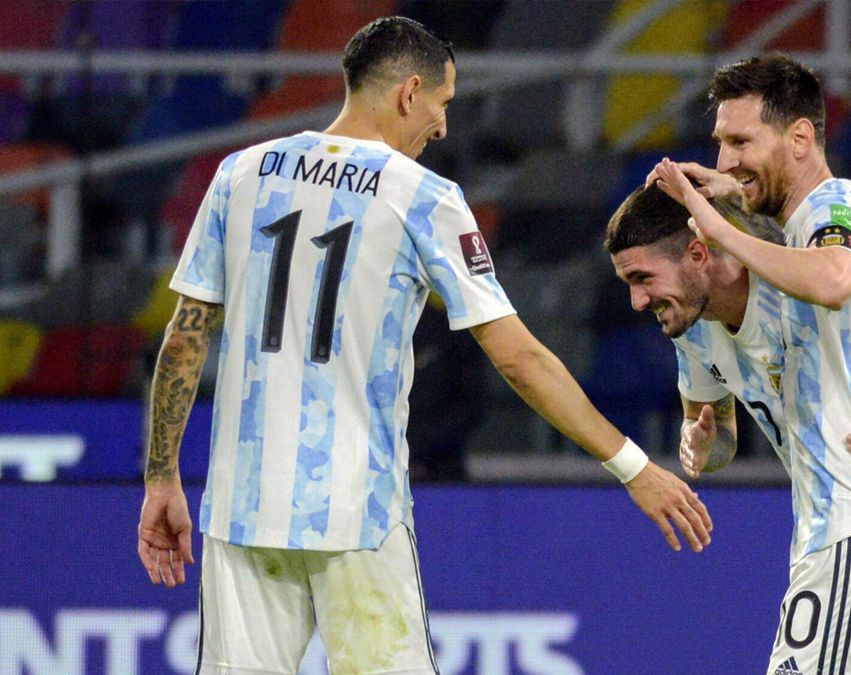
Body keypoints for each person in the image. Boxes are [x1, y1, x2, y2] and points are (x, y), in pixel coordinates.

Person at [136, 17, 711, 675]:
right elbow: (520, 359)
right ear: (410, 92)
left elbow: (184, 339)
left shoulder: (240, 174)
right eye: (442, 105)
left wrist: (161, 476)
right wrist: (634, 466)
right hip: (357, 510)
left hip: (241, 504)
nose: (442, 128)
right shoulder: (422, 197)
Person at [649, 54, 851, 674]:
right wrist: (706, 441)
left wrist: (716, 223)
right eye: (719, 143)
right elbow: (723, 431)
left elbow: (836, 277)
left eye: (740, 141)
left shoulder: (835, 207)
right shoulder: (781, 246)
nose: (725, 161)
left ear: (801, 137)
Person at [606, 185, 851, 674]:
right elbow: (718, 439)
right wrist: (701, 445)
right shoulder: (692, 329)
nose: (636, 301)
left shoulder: (801, 296)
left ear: (698, 254)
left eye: (642, 278)